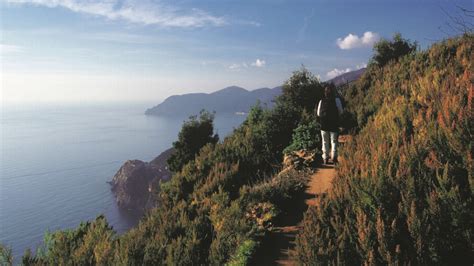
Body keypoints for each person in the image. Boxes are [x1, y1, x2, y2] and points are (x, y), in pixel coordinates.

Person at [317, 84, 343, 164]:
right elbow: (341, 111)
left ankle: (325, 158)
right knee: (334, 141)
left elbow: (318, 113)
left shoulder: (321, 101)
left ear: (325, 93)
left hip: (324, 124)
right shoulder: (337, 100)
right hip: (334, 123)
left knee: (325, 141)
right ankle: (334, 157)